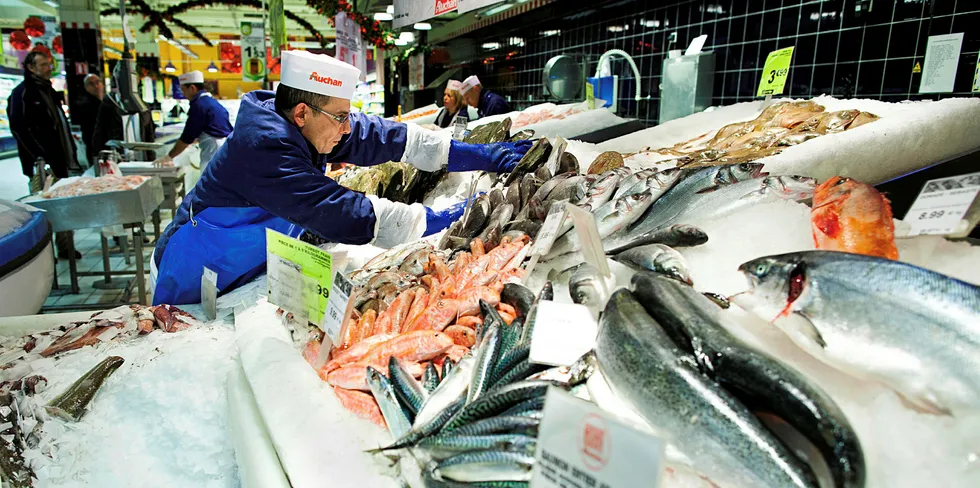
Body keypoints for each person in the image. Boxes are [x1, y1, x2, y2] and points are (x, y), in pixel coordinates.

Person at [151, 51, 532, 305]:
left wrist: (477, 154)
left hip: (252, 260)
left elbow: (384, 137)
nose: (347, 128)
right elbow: (344, 213)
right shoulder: (263, 148)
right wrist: (445, 218)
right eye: (340, 117)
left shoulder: (304, 124)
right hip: (198, 271)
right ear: (302, 113)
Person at [6, 51, 79, 258]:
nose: (49, 67)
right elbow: (19, 128)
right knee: (42, 207)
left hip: (60, 161)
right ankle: (45, 252)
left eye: (49, 63)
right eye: (43, 64)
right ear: (31, 67)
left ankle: (66, 247)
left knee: (64, 205)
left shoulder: (50, 92)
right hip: (41, 165)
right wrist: (39, 156)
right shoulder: (23, 94)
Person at [153, 71, 232, 168]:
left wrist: (169, 157)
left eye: (183, 90)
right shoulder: (210, 102)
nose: (183, 94)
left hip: (213, 152)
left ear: (192, 88)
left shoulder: (199, 106)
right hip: (223, 151)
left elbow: (187, 137)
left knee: (210, 180)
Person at [74, 73, 104, 165]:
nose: (96, 86)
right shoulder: (86, 105)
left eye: (97, 82)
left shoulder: (103, 103)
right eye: (91, 84)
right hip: (95, 148)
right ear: (86, 87)